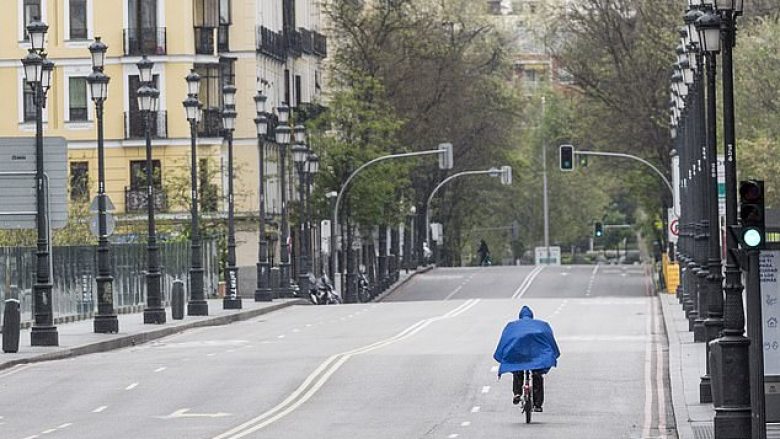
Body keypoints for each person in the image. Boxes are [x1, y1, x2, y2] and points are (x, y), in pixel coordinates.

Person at [493, 305, 560, 412]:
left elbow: (505, 340)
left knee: (517, 369)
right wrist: (554, 353)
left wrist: (501, 354)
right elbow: (550, 339)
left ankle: (517, 393)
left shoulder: (512, 326)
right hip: (536, 356)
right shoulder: (542, 325)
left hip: (519, 354)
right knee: (537, 375)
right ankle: (537, 404)